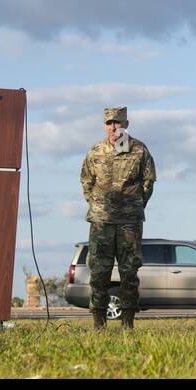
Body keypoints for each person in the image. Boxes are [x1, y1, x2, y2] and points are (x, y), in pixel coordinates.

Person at [81, 106, 156, 328]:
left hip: (129, 222)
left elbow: (148, 181)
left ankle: (128, 323)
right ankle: (99, 324)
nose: (113, 127)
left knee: (129, 272)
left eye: (118, 122)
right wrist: (97, 205)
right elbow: (86, 181)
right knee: (99, 273)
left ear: (126, 124)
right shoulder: (95, 151)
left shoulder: (139, 150)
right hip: (101, 222)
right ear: (104, 125)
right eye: (109, 123)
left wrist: (135, 204)